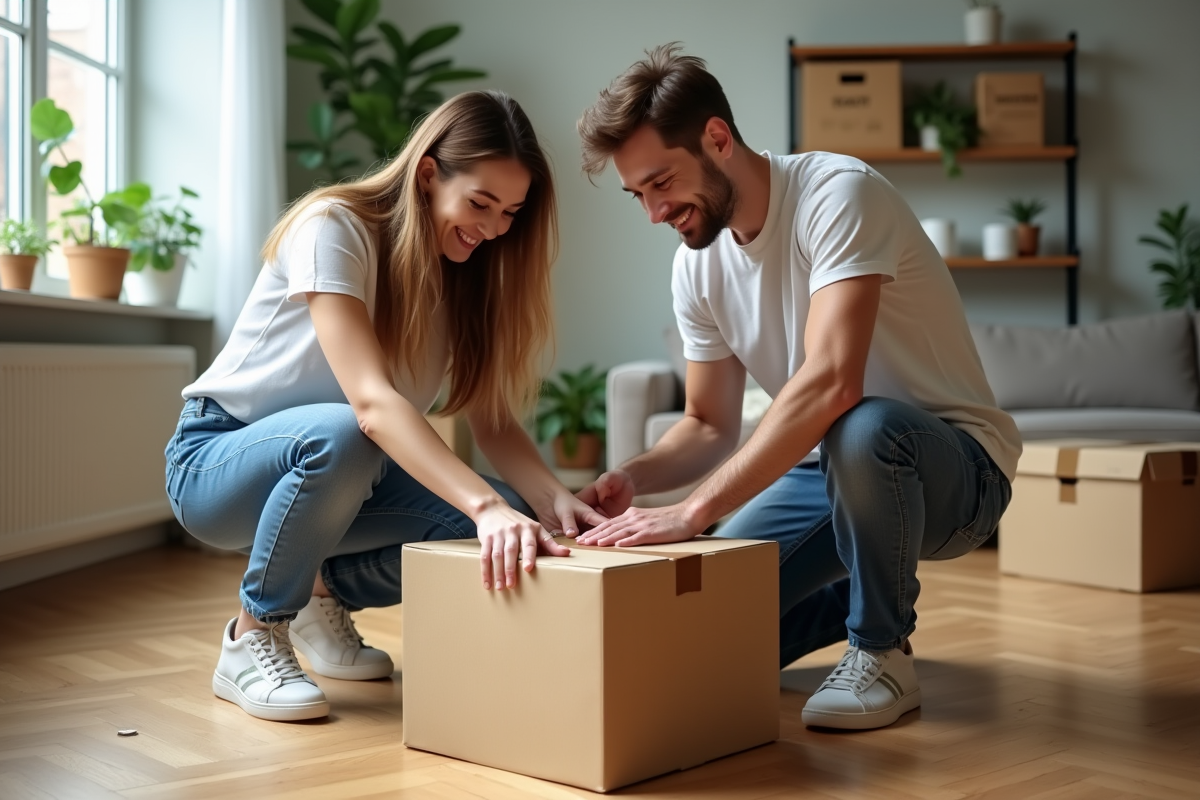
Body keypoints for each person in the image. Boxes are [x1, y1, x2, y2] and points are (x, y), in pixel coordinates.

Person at [572, 45, 1021, 730]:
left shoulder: (838, 195)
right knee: (698, 639)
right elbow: (706, 424)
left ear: (717, 138)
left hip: (955, 474)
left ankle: (881, 651)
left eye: (661, 183)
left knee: (862, 426)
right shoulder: (697, 266)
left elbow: (834, 381)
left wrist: (692, 514)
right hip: (825, 477)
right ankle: (853, 600)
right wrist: (629, 478)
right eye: (640, 194)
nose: (655, 213)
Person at [165, 91, 602, 722]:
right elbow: (370, 405)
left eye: (510, 212)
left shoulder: (464, 278)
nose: (494, 228)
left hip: (350, 476)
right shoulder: (333, 227)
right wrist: (483, 504)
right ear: (428, 173)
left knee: (503, 535)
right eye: (480, 203)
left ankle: (316, 592)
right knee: (356, 439)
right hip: (218, 461)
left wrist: (547, 501)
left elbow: (493, 419)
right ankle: (253, 632)